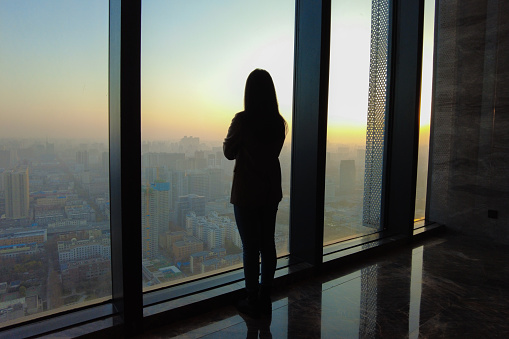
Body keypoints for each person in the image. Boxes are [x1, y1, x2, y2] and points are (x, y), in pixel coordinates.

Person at [223, 69, 287, 318]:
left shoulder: (242, 120)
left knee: (251, 248)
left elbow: (229, 152)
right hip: (270, 190)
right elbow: (271, 154)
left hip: (247, 192)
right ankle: (265, 297)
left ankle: (252, 299)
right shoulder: (278, 123)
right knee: (267, 244)